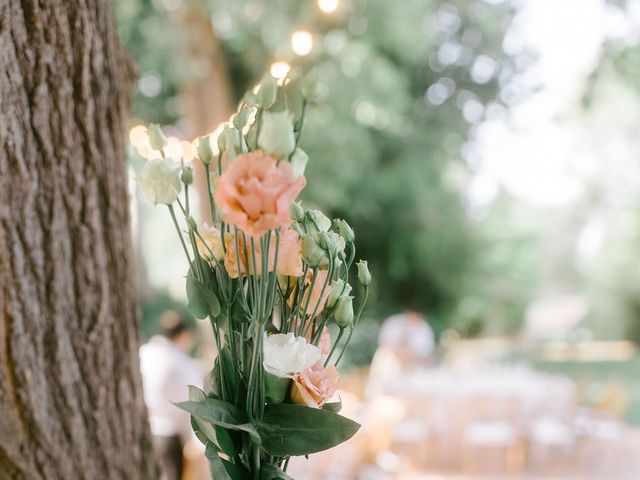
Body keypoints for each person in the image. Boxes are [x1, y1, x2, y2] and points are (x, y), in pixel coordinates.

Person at [140, 311, 203, 480]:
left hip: (142, 432)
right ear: (184, 335)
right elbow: (196, 403)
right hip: (169, 439)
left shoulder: (143, 353)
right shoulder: (183, 364)